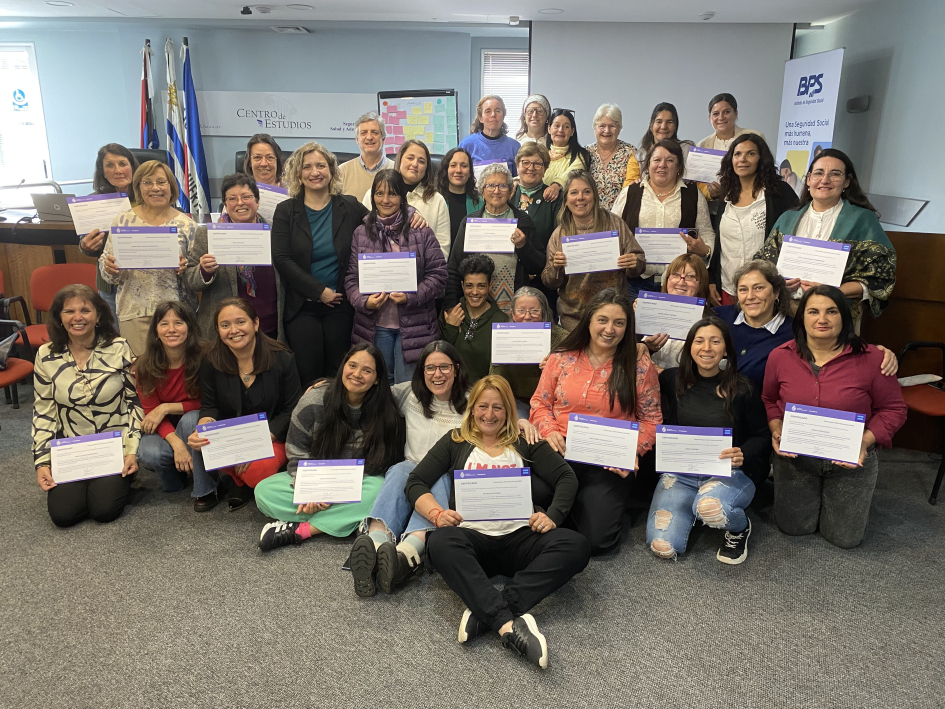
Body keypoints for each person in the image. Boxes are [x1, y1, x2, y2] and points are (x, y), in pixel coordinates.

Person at [405, 375, 591, 669]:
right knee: (440, 542)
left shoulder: (524, 441)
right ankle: (507, 624)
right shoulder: (455, 440)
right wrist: (437, 514)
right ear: (472, 408)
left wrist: (553, 516)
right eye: (482, 406)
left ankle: (488, 611)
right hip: (472, 540)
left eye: (497, 407)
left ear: (508, 411)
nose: (489, 415)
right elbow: (416, 481)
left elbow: (566, 477)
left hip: (520, 537)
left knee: (576, 545)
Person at [763, 285, 907, 548]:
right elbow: (770, 399)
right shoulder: (780, 356)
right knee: (792, 528)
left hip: (850, 459)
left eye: (831, 311)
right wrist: (776, 427)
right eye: (813, 311)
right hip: (796, 458)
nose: (822, 319)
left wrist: (864, 442)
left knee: (845, 538)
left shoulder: (874, 358)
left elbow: (894, 409)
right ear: (802, 317)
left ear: (844, 316)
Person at [530, 288, 662, 554]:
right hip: (559, 450)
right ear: (589, 320)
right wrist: (549, 429)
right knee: (524, 496)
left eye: (619, 323)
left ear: (628, 327)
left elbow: (652, 419)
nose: (609, 329)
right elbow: (540, 403)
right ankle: (577, 506)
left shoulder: (639, 366)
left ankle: (586, 508)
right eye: (602, 320)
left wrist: (633, 452)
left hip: (608, 458)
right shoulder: (561, 357)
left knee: (599, 542)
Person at [254, 343, 405, 550]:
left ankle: (302, 530)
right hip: (315, 477)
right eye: (352, 365)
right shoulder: (314, 399)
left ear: (377, 379)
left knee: (378, 490)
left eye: (367, 370)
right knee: (264, 492)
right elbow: (296, 451)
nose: (357, 374)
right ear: (343, 366)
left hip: (357, 481)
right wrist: (309, 490)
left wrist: (335, 493)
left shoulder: (386, 410)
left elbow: (378, 464)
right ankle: (352, 519)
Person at [348, 341, 470, 595]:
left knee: (439, 480)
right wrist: (325, 385)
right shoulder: (409, 394)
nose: (437, 374)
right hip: (412, 468)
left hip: (449, 476)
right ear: (422, 371)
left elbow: (502, 409)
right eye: (430, 368)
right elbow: (371, 388)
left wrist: (523, 421)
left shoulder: (473, 400)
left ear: (457, 369)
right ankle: (376, 544)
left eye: (445, 367)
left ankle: (408, 552)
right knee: (399, 469)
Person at [647, 317, 770, 564]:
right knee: (663, 547)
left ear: (726, 349)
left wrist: (743, 452)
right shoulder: (672, 379)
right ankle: (691, 508)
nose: (707, 348)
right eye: (699, 341)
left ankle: (739, 528)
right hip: (681, 473)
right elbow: (639, 371)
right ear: (689, 347)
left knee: (710, 508)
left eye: (715, 341)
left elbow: (763, 435)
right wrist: (644, 347)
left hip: (729, 472)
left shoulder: (743, 388)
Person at [32, 285, 141, 527]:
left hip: (114, 445)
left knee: (104, 510)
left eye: (85, 310)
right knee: (63, 515)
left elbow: (135, 402)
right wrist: (42, 462)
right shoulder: (46, 355)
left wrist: (132, 450)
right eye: (69, 311)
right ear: (59, 317)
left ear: (98, 315)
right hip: (71, 448)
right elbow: (44, 413)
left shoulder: (118, 348)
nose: (77, 317)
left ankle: (126, 480)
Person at [754, 149, 897, 325]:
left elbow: (881, 277)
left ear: (847, 181)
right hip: (785, 313)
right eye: (818, 173)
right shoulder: (787, 219)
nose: (825, 180)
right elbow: (763, 264)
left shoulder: (862, 220)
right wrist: (778, 282)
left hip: (835, 313)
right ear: (808, 179)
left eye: (835, 174)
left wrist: (833, 292)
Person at [186, 298, 301, 512]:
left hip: (272, 433)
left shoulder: (282, 358)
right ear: (218, 330)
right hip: (233, 435)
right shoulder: (210, 360)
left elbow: (291, 410)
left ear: (255, 323)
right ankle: (239, 481)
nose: (234, 330)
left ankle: (244, 479)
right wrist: (204, 426)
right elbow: (210, 406)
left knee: (258, 471)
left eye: (241, 322)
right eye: (225, 325)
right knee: (204, 443)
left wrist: (253, 444)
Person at [271, 142, 368, 387]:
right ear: (298, 173)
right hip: (302, 308)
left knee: (339, 376)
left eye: (321, 166)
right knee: (309, 378)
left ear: (332, 171)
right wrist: (318, 291)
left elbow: (383, 220)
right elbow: (281, 258)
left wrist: (412, 215)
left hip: (341, 308)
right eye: (307, 167)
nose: (315, 172)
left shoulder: (350, 206)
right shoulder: (286, 210)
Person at [714, 260, 899, 389]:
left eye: (759, 288)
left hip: (760, 415)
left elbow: (837, 348)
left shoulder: (797, 330)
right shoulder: (718, 317)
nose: (750, 296)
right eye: (743, 290)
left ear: (776, 292)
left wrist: (878, 352)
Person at [345, 170, 447, 384]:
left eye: (392, 193)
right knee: (378, 386)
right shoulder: (361, 233)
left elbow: (438, 275)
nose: (385, 200)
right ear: (372, 196)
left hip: (415, 326)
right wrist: (364, 302)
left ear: (402, 196)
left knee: (408, 387)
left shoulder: (421, 231)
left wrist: (411, 296)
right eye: (379, 193)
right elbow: (351, 279)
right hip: (374, 326)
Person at [99, 160, 199, 356]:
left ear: (171, 186)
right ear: (138, 187)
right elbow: (107, 272)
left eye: (161, 182)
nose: (155, 188)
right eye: (147, 182)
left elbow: (197, 276)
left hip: (177, 315)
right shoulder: (123, 221)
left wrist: (185, 268)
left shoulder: (187, 225)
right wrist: (109, 267)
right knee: (139, 369)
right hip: (134, 311)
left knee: (177, 370)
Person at [184, 173, 285, 341]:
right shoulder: (207, 235)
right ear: (225, 204)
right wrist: (204, 271)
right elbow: (191, 281)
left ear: (257, 201)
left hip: (269, 327)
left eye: (246, 197)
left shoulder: (277, 233)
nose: (240, 203)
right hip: (225, 332)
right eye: (232, 198)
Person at [611, 140, 715, 299]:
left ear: (679, 167)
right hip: (634, 283)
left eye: (670, 160)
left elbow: (707, 232)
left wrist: (705, 250)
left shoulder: (693, 194)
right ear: (648, 164)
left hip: (679, 285)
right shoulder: (629, 192)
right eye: (657, 159)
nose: (662, 165)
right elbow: (613, 231)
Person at [542, 170, 645, 331]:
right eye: (574, 193)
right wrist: (556, 267)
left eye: (586, 192)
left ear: (595, 196)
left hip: (612, 314)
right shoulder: (560, 234)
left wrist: (634, 262)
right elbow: (549, 282)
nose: (580, 197)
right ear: (566, 199)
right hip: (574, 319)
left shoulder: (614, 223)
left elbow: (639, 265)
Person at [710, 135, 798, 306]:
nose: (742, 159)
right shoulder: (726, 194)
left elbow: (796, 233)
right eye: (737, 154)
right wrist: (712, 279)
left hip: (767, 289)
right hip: (729, 287)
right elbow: (720, 242)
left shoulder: (779, 192)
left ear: (761, 158)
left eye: (750, 154)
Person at [445, 162, 542, 315]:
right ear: (482, 192)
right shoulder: (469, 223)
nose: (496, 191)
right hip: (476, 307)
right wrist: (451, 305)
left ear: (510, 192)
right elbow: (454, 267)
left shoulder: (523, 222)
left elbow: (538, 266)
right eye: (490, 185)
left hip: (514, 310)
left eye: (502, 186)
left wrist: (524, 246)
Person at [134, 301, 203, 493]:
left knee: (191, 419)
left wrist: (165, 407)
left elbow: (208, 403)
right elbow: (151, 413)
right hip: (163, 426)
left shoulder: (204, 357)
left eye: (178, 323)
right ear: (156, 331)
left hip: (195, 422)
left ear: (189, 328)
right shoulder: (144, 366)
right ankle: (176, 479)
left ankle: (203, 482)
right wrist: (177, 444)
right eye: (164, 324)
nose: (171, 329)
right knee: (150, 453)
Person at [78, 143, 138, 323]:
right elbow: (87, 243)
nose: (118, 170)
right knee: (115, 335)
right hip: (110, 286)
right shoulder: (93, 202)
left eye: (122, 164)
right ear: (103, 172)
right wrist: (85, 247)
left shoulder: (148, 197)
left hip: (144, 281)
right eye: (110, 165)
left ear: (132, 167)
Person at [490, 286, 568, 419]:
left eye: (534, 311)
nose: (527, 317)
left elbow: (573, 380)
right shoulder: (502, 336)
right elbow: (494, 378)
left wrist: (554, 369)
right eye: (521, 311)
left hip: (552, 401)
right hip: (515, 400)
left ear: (544, 312)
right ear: (512, 313)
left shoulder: (563, 339)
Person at [440, 254, 509, 382]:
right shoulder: (450, 314)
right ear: (462, 286)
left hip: (483, 389)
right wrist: (450, 328)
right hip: (451, 387)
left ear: (490, 286)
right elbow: (440, 356)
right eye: (469, 286)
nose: (475, 292)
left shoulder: (502, 321)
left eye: (481, 286)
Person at [638, 253, 712, 370]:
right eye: (676, 275)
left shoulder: (709, 323)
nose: (681, 282)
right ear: (667, 279)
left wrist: (666, 375)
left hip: (683, 380)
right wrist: (648, 347)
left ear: (701, 283)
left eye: (690, 276)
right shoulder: (647, 310)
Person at [512, 142, 561, 313]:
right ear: (517, 165)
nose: (531, 168)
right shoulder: (507, 193)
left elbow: (558, 238)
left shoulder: (554, 197)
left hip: (542, 277)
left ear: (545, 168)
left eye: (537, 164)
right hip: (508, 275)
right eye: (525, 162)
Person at [384, 140, 451, 259]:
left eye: (421, 161)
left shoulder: (437, 200)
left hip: (425, 269)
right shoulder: (377, 194)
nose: (415, 164)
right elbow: (365, 239)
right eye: (410, 158)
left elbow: (442, 249)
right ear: (399, 160)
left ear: (426, 168)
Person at [698, 93, 766, 200]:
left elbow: (764, 170)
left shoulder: (754, 137)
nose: (721, 117)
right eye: (715, 114)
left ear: (736, 113)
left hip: (751, 199)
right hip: (714, 205)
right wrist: (710, 192)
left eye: (727, 112)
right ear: (710, 118)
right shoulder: (702, 145)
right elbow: (698, 181)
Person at [626, 102, 694, 187]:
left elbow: (701, 186)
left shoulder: (688, 151)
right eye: (659, 122)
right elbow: (628, 187)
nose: (663, 127)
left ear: (675, 126)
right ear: (651, 126)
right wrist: (633, 187)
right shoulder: (638, 157)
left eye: (669, 122)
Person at [587, 104, 637, 210]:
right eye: (602, 126)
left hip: (620, 216)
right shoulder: (585, 153)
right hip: (589, 216)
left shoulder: (630, 152)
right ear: (595, 128)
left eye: (612, 126)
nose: (607, 130)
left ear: (619, 128)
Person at [459, 95, 521, 177]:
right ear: (480, 118)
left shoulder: (514, 147)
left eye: (497, 111)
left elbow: (518, 179)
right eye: (488, 111)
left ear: (503, 116)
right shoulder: (467, 145)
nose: (493, 115)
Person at [338, 112, 393, 199]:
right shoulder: (342, 172)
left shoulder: (397, 169)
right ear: (357, 139)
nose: (369, 137)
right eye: (363, 133)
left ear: (383, 139)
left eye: (374, 132)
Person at [435, 146, 483, 245]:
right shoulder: (434, 200)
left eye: (464, 166)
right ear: (446, 169)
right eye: (453, 165)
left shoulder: (480, 202)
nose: (458, 170)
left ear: (470, 172)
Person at [542, 109, 590, 200]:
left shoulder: (580, 155)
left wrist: (556, 185)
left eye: (566, 127)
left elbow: (571, 174)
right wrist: (517, 180)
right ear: (549, 129)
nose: (560, 130)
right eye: (556, 126)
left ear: (572, 131)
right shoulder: (541, 153)